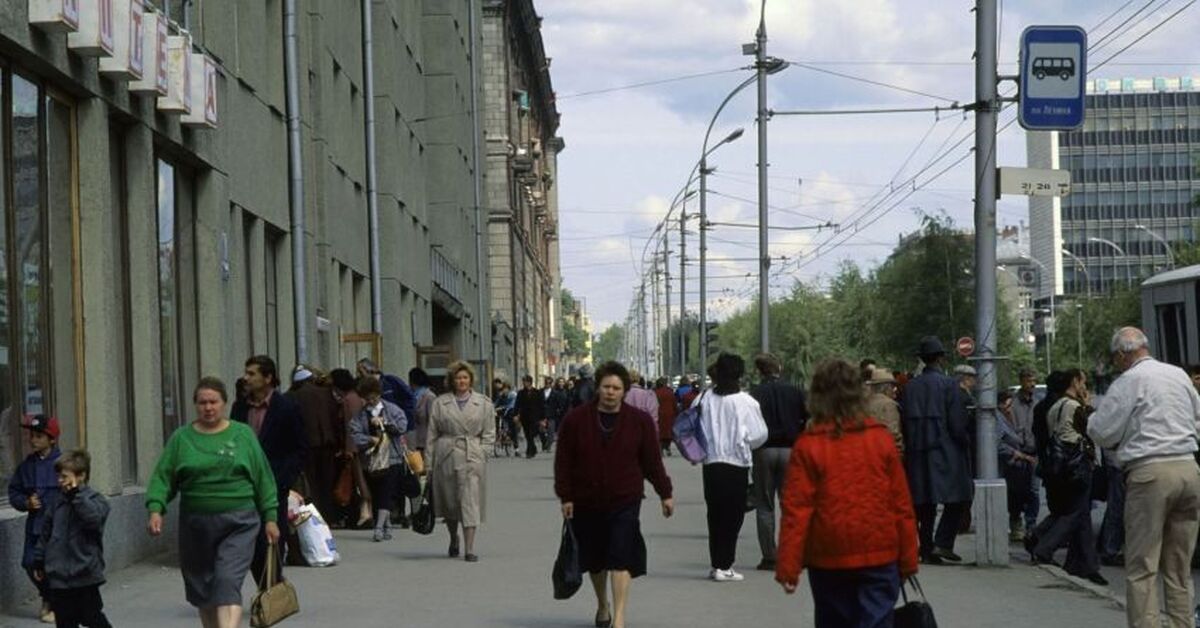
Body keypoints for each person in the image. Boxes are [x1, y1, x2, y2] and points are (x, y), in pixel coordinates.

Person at [775, 359, 918, 627]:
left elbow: (797, 509)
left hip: (829, 556)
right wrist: (909, 557)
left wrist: (789, 563)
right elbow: (901, 504)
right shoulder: (880, 439)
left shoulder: (808, 446)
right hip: (880, 552)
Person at [1085, 327, 1200, 628]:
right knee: (1179, 565)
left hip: (1150, 473)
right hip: (1188, 469)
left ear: (1123, 354)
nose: (1115, 363)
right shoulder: (1178, 376)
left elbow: (1103, 431)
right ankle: (1182, 624)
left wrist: (1092, 417)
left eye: (1115, 358)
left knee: (1142, 565)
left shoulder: (1129, 381)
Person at [146, 377, 280, 628]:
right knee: (203, 587)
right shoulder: (181, 438)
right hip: (196, 525)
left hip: (238, 522)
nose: (208, 407)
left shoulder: (243, 435)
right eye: (202, 402)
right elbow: (163, 477)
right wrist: (156, 509)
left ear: (224, 403)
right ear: (195, 405)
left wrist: (270, 517)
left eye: (214, 402)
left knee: (226, 580)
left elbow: (263, 478)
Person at [555, 360, 674, 628]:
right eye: (606, 387)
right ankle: (602, 605)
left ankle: (619, 617)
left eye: (616, 388)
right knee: (596, 560)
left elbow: (652, 462)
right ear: (598, 388)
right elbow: (563, 462)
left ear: (625, 391)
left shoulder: (639, 421)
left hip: (625, 499)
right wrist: (566, 497)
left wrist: (665, 493)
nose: (610, 392)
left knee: (620, 556)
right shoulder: (576, 420)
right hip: (587, 500)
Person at [230, 355, 307, 584]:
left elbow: (301, 447)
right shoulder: (240, 407)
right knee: (247, 540)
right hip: (243, 485)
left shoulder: (287, 407)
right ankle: (268, 583)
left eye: (252, 373)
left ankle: (271, 587)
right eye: (246, 372)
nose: (246, 378)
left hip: (275, 484)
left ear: (268, 377)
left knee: (271, 539)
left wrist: (285, 479)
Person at [1028, 368, 1105, 584]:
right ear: (1074, 382)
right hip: (1077, 464)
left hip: (1060, 465)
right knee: (1076, 513)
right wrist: (1087, 403)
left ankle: (1085, 565)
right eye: (1082, 382)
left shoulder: (1055, 406)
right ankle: (1044, 547)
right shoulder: (1073, 406)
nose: (1084, 387)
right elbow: (1094, 427)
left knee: (1081, 515)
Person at [697, 353, 769, 581]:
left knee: (715, 515)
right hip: (736, 464)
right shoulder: (746, 402)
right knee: (733, 516)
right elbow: (759, 436)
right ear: (739, 374)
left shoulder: (704, 398)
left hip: (710, 463)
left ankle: (716, 563)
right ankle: (725, 565)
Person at [901, 336, 972, 564]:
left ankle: (927, 547)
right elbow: (956, 423)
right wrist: (965, 442)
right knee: (959, 496)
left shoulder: (910, 387)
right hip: (946, 450)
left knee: (924, 502)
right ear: (941, 358)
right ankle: (942, 543)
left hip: (918, 451)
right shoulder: (950, 385)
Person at [32, 449, 112, 628]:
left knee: (91, 617)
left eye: (64, 476)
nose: (60, 481)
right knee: (65, 621)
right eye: (58, 476)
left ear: (81, 476)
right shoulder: (56, 501)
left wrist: (77, 496)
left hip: (85, 573)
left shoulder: (96, 500)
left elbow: (93, 520)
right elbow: (46, 533)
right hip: (59, 576)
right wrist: (39, 559)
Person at [428, 361, 496, 562]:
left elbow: (490, 432)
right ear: (452, 381)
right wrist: (428, 463)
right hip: (446, 455)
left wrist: (484, 452)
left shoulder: (483, 403)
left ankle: (470, 548)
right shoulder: (440, 403)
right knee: (450, 502)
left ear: (471, 380)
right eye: (458, 378)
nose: (461, 381)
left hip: (471, 455)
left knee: (470, 502)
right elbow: (432, 433)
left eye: (465, 377)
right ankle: (453, 537)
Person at [749, 352, 809, 571]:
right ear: (780, 367)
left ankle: (770, 556)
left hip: (764, 450)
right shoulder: (795, 391)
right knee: (791, 504)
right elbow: (807, 417)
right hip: (791, 450)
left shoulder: (755, 394)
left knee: (764, 504)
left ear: (759, 371)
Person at [8, 415, 63, 624]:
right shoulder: (26, 466)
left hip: (58, 526)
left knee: (55, 566)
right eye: (32, 436)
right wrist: (26, 502)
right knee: (29, 563)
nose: (33, 440)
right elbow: (14, 492)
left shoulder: (63, 463)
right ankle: (48, 597)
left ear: (51, 440)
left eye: (38, 436)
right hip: (35, 526)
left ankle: (54, 603)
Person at [349, 376, 409, 542]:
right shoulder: (361, 415)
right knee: (377, 493)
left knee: (386, 492)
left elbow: (402, 426)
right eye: (367, 398)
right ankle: (386, 524)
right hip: (371, 460)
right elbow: (354, 434)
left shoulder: (392, 409)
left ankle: (378, 527)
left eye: (373, 396)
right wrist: (369, 439)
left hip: (392, 457)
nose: (371, 400)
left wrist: (386, 423)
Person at [286, 365, 343, 524]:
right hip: (328, 444)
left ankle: (314, 517)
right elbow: (335, 419)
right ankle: (328, 516)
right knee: (327, 482)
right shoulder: (325, 394)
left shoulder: (291, 396)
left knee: (311, 483)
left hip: (305, 446)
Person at [331, 368, 372, 529]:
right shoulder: (358, 397)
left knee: (359, 481)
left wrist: (349, 449)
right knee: (363, 479)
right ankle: (366, 512)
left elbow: (350, 426)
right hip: (365, 444)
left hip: (355, 446)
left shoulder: (348, 400)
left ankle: (365, 513)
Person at [996, 390, 1038, 543]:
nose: (1010, 408)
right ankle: (1016, 525)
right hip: (1009, 464)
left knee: (1026, 494)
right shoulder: (997, 419)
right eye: (1007, 405)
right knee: (1014, 497)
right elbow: (998, 443)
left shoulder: (1008, 417)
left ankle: (1025, 525)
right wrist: (1017, 453)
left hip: (1019, 464)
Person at [1011, 368, 1041, 538]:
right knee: (1017, 491)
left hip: (1034, 452)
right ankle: (1015, 521)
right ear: (1022, 381)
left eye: (1034, 381)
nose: (1033, 384)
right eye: (1029, 381)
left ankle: (1031, 525)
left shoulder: (1036, 403)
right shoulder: (1014, 404)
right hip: (1018, 453)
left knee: (1034, 490)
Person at [864, 367, 903, 452]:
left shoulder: (864, 403)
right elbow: (894, 433)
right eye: (893, 387)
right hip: (885, 452)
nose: (894, 390)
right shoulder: (889, 405)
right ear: (887, 387)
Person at [515, 375, 545, 459]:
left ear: (529, 382)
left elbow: (542, 405)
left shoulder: (537, 392)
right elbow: (517, 405)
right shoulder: (521, 393)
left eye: (525, 381)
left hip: (535, 417)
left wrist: (543, 418)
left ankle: (530, 451)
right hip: (524, 417)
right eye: (523, 381)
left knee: (532, 434)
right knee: (527, 434)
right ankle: (533, 449)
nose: (524, 383)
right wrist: (515, 415)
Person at [408, 368, 437, 455]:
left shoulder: (429, 397)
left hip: (425, 443)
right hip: (414, 442)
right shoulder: (412, 396)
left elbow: (433, 421)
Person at [653, 378, 677, 456]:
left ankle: (660, 448)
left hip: (658, 414)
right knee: (668, 432)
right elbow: (674, 403)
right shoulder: (670, 392)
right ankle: (667, 447)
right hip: (669, 414)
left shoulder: (655, 392)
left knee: (660, 432)